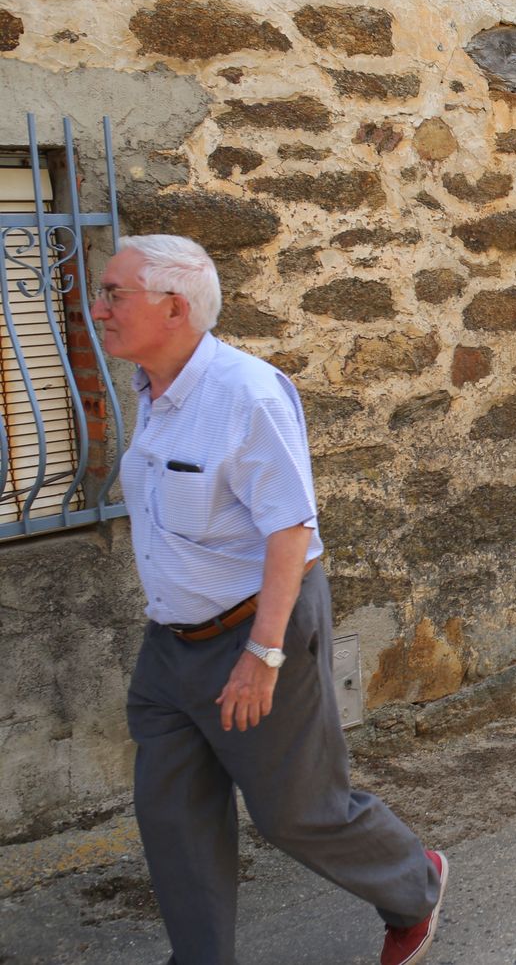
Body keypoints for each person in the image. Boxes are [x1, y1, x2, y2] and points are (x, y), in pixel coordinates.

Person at [97, 235, 446, 965]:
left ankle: (415, 884)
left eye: (113, 294)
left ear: (173, 306)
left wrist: (263, 653)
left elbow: (291, 532)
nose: (97, 309)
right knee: (172, 818)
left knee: (296, 812)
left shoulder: (246, 393)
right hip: (170, 646)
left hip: (254, 631)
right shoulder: (150, 392)